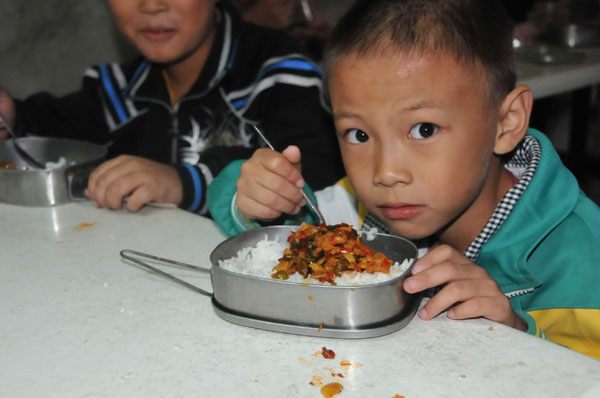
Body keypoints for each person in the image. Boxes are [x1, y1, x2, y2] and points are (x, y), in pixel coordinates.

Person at [206, 0, 600, 359]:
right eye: (359, 135)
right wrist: (261, 195)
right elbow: (264, 223)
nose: (385, 173)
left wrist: (519, 334)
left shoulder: (578, 255)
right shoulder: (356, 210)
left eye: (424, 129)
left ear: (506, 122)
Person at [0, 0, 343, 213]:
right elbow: (52, 126)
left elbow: (320, 183)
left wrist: (184, 183)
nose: (151, 5)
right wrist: (11, 115)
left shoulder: (282, 74)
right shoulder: (118, 90)